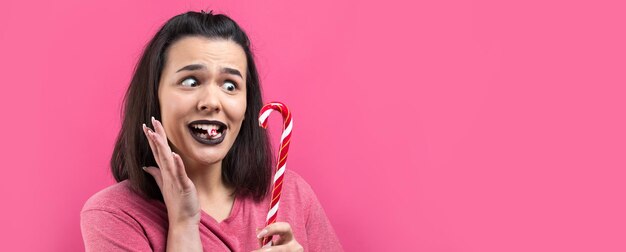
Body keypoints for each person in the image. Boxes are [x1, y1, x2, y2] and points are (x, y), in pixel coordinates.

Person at [80, 10, 343, 252]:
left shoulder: (292, 194)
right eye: (191, 81)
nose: (212, 102)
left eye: (230, 86)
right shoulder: (114, 214)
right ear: (155, 95)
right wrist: (183, 223)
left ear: (246, 105)